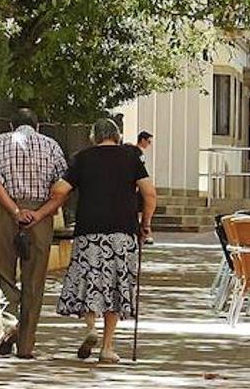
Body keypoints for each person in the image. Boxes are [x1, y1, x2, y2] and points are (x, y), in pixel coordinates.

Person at [31, 118, 157, 364]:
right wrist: (146, 224)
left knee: (89, 280)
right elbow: (149, 193)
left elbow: (60, 191)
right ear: (117, 135)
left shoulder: (82, 158)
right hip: (122, 231)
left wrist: (45, 203)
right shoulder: (131, 157)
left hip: (89, 230)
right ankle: (107, 347)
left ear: (94, 137)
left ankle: (91, 328)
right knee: (116, 286)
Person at [0, 108, 68, 359]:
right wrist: (39, 214)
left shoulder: (1, 141)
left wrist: (16, 211)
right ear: (37, 126)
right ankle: (26, 345)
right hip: (41, 213)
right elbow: (62, 188)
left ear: (11, 125)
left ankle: (10, 325)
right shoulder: (51, 146)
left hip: (8, 211)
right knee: (34, 279)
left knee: (4, 272)